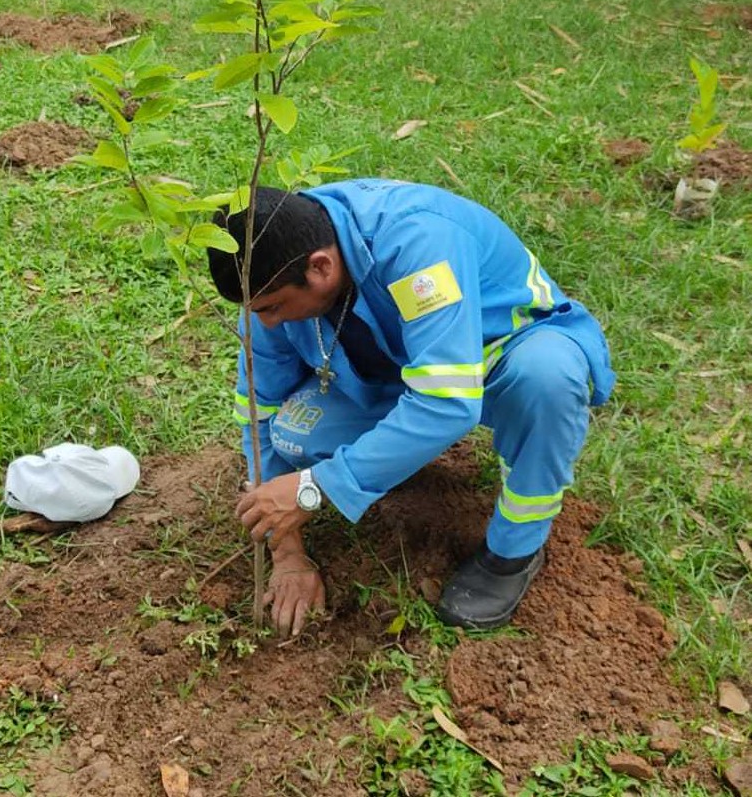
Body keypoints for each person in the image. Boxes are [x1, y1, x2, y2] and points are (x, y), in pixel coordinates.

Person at [207, 179, 615, 639]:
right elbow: (258, 412)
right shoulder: (273, 270)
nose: (266, 323)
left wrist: (315, 488)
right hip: (395, 368)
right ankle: (399, 454)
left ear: (320, 268)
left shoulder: (418, 243)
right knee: (294, 435)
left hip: (497, 354)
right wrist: (287, 554)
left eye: (274, 307)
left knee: (548, 377)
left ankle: (513, 552)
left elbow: (447, 402)